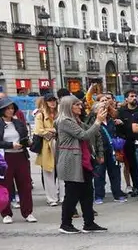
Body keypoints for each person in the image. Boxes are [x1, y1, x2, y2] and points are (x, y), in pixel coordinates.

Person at [56, 96, 106, 233]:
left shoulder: (77, 121)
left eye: (80, 104)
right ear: (68, 107)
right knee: (72, 195)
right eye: (76, 105)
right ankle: (65, 224)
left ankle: (89, 223)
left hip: (84, 161)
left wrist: (97, 117)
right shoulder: (65, 121)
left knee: (87, 194)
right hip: (72, 162)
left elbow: (90, 130)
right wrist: (97, 121)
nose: (80, 106)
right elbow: (84, 135)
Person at [0, 96, 35, 224]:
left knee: (25, 185)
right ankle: (6, 213)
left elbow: (25, 137)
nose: (10, 111)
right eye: (7, 108)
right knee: (6, 186)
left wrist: (28, 142)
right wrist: (10, 145)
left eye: (12, 108)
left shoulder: (18, 123)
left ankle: (28, 212)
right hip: (5, 157)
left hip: (21, 156)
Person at [33, 93, 61, 206]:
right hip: (47, 145)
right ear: (45, 102)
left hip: (60, 142)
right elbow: (38, 130)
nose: (52, 102)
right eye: (49, 100)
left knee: (62, 170)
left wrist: (51, 130)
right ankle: (51, 198)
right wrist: (53, 131)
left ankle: (64, 196)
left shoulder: (60, 113)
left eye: (54, 100)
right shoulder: (40, 114)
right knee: (49, 171)